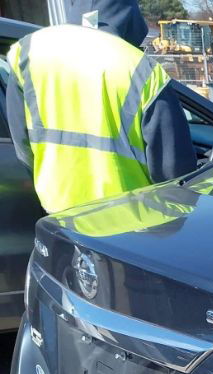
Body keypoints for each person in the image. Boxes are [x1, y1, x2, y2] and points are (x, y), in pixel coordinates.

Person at [4, 0, 197, 214]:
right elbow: (174, 174)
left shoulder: (29, 52)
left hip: (60, 220)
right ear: (129, 17)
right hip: (129, 224)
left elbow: (23, 145)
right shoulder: (140, 68)